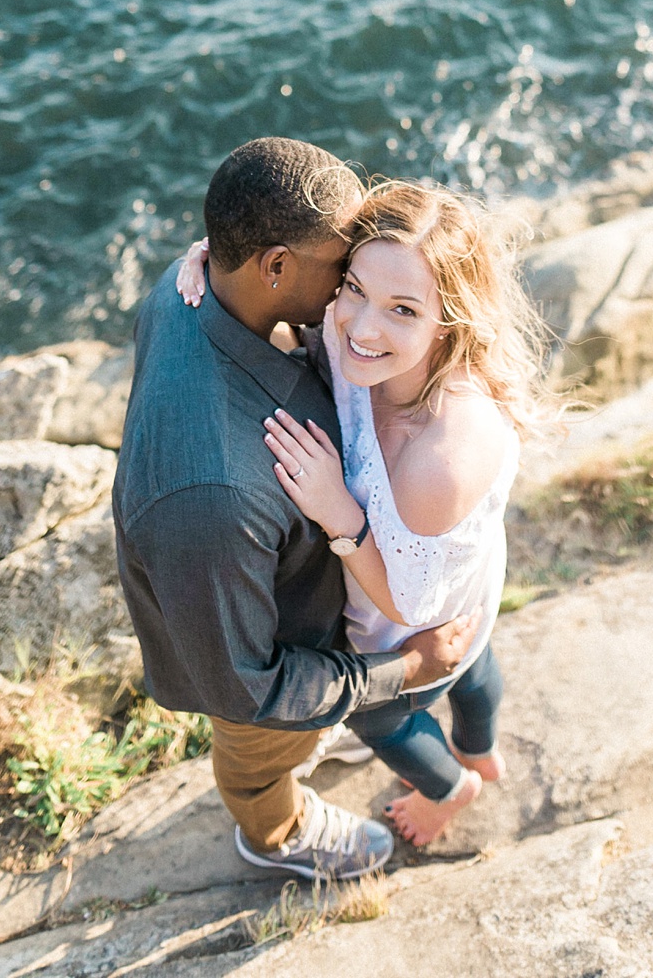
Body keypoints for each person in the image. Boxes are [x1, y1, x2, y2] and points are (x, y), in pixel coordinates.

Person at [114, 138, 479, 882]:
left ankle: (324, 730)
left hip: (282, 585)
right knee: (259, 760)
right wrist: (401, 667)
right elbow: (250, 688)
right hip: (264, 648)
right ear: (275, 266)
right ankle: (276, 833)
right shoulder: (215, 498)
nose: (354, 277)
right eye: (341, 265)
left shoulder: (190, 285)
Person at [177, 178, 543, 847]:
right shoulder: (358, 345)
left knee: (383, 719)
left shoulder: (442, 454)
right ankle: (480, 745)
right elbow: (292, 288)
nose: (362, 324)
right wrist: (219, 263)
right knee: (479, 663)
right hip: (470, 584)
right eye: (354, 288)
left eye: (403, 309)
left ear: (451, 323)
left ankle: (450, 787)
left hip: (413, 617)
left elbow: (407, 603)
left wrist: (338, 512)